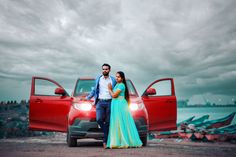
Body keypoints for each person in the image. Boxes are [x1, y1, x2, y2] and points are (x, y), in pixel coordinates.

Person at [106, 71, 142, 148]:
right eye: (116, 76)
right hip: (116, 104)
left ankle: (124, 141)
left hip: (120, 105)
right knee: (117, 122)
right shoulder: (117, 85)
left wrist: (109, 89)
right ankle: (117, 140)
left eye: (118, 77)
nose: (116, 78)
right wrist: (111, 89)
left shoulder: (121, 85)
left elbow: (114, 95)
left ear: (122, 78)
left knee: (121, 122)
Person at [86, 63, 116, 148]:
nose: (104, 70)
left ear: (109, 70)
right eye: (103, 69)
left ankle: (105, 141)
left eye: (106, 69)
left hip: (110, 102)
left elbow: (116, 91)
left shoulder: (113, 80)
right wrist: (88, 98)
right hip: (100, 102)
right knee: (99, 119)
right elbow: (94, 91)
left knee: (108, 122)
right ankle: (107, 134)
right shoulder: (98, 79)